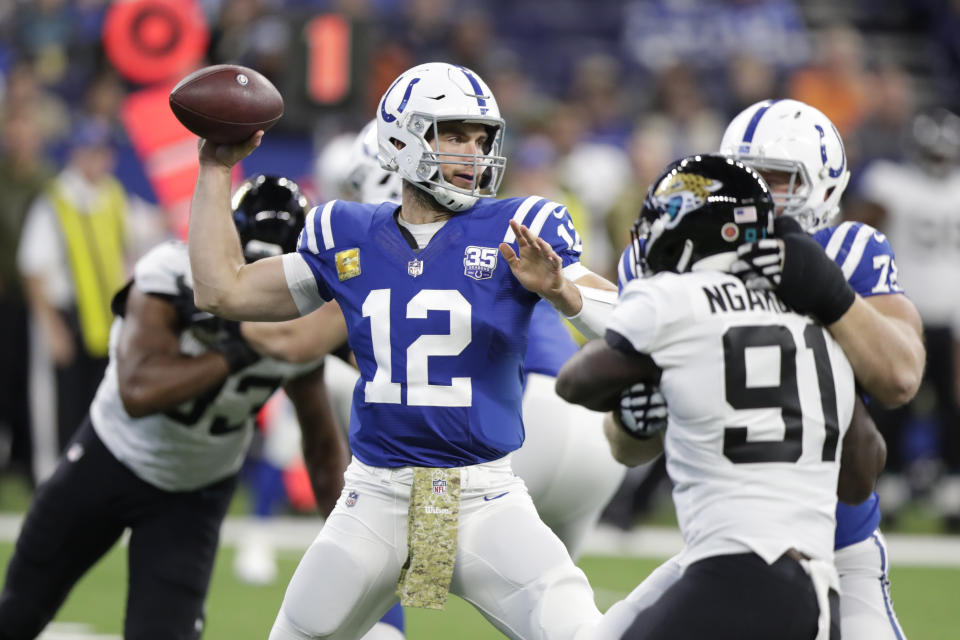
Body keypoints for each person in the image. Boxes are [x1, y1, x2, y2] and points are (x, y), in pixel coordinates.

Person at [186, 62, 620, 640]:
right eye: (454, 135)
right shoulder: (347, 232)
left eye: (480, 138)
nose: (473, 152)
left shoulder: (516, 227)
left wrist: (562, 289)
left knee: (582, 632)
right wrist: (215, 169)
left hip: (482, 495)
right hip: (377, 496)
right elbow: (222, 289)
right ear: (402, 139)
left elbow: (627, 326)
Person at [606, 99, 917, 640]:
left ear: (823, 187)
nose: (754, 196)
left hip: (839, 544)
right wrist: (639, 415)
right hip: (725, 542)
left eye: (775, 179)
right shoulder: (674, 261)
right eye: (742, 176)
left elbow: (900, 378)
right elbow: (630, 447)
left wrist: (829, 292)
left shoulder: (847, 251)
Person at [244, 120, 627, 559]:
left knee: (408, 560)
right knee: (540, 608)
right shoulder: (492, 229)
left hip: (527, 420)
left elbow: (296, 343)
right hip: (590, 430)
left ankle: (379, 616)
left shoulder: (393, 245)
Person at [0, 175, 349, 640]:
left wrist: (347, 544)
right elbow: (138, 391)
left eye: (276, 273)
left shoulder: (302, 315)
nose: (262, 291)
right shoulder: (172, 272)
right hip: (109, 460)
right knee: (19, 613)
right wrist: (238, 346)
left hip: (195, 492)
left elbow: (322, 446)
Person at [557, 154, 860, 639]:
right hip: (818, 589)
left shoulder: (676, 299)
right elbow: (864, 469)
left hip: (737, 572)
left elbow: (574, 381)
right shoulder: (819, 324)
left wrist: (645, 391)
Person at [849, 106, 960, 530]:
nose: (937, 161)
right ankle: (890, 484)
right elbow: (858, 233)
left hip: (949, 316)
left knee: (951, 406)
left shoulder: (898, 184)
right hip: (900, 313)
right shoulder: (890, 185)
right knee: (894, 403)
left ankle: (950, 490)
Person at [17, 120, 130, 480]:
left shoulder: (111, 194)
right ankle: (52, 480)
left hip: (105, 322)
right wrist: (51, 327)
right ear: (76, 154)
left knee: (98, 407)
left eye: (105, 152)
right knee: (59, 408)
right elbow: (33, 269)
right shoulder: (55, 199)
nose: (100, 160)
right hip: (66, 318)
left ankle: (89, 479)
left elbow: (130, 244)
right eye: (93, 152)